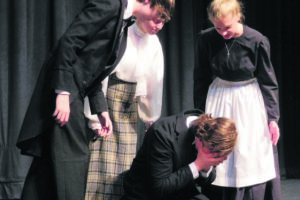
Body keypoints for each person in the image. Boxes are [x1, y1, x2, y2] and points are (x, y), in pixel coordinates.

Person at [16, 0, 175, 200]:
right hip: (65, 89)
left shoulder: (124, 22)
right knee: (73, 162)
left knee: (46, 166)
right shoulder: (110, 5)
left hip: (77, 90)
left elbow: (93, 68)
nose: (158, 24)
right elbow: (69, 42)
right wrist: (62, 93)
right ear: (148, 1)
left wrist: (101, 110)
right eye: (158, 15)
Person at [83, 1, 174, 199]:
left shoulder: (154, 45)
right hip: (108, 103)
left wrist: (150, 117)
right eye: (155, 20)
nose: (157, 26)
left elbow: (153, 84)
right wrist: (95, 117)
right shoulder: (123, 33)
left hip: (129, 107)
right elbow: (101, 76)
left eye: (162, 23)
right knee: (101, 164)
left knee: (124, 168)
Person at [193, 0, 281, 199]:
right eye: (218, 28)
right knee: (222, 151)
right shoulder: (206, 39)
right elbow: (200, 77)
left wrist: (273, 118)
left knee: (248, 153)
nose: (223, 33)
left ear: (238, 17)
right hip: (220, 97)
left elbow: (268, 81)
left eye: (228, 27)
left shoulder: (256, 40)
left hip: (248, 99)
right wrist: (200, 113)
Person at [121, 109, 238, 200]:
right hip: (147, 195)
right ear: (199, 140)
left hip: (180, 194)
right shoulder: (162, 133)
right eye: (215, 156)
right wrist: (198, 165)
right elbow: (159, 189)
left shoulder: (211, 138)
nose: (220, 159)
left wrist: (206, 167)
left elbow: (207, 180)